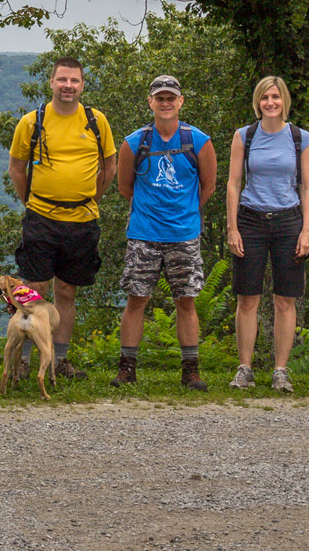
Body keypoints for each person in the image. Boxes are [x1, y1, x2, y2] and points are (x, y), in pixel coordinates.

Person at [8, 57, 116, 380]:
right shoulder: (32, 121)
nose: (68, 86)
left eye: (74, 81)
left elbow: (109, 168)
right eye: (62, 79)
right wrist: (32, 202)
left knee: (67, 290)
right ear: (51, 82)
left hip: (82, 220)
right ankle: (25, 360)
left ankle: (59, 360)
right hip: (41, 216)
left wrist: (89, 200)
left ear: (82, 85)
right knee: (34, 288)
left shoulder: (97, 121)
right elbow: (16, 168)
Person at [111, 76, 218, 390]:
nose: (166, 102)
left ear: (181, 101)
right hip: (144, 232)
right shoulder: (134, 142)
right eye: (160, 98)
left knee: (186, 301)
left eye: (171, 97)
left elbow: (208, 186)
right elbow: (124, 186)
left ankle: (191, 369)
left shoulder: (199, 141)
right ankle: (126, 368)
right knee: (136, 299)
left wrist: (184, 212)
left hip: (184, 234)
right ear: (151, 102)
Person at [225, 76, 309, 392]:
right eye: (265, 97)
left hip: (289, 222)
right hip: (250, 221)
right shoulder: (244, 136)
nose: (270, 102)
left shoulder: (300, 138)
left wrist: (307, 229)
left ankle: (280, 370)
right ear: (258, 101)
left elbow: (307, 185)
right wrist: (232, 227)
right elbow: (234, 183)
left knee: (285, 300)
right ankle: (245, 369)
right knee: (247, 298)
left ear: (284, 100)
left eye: (276, 97)